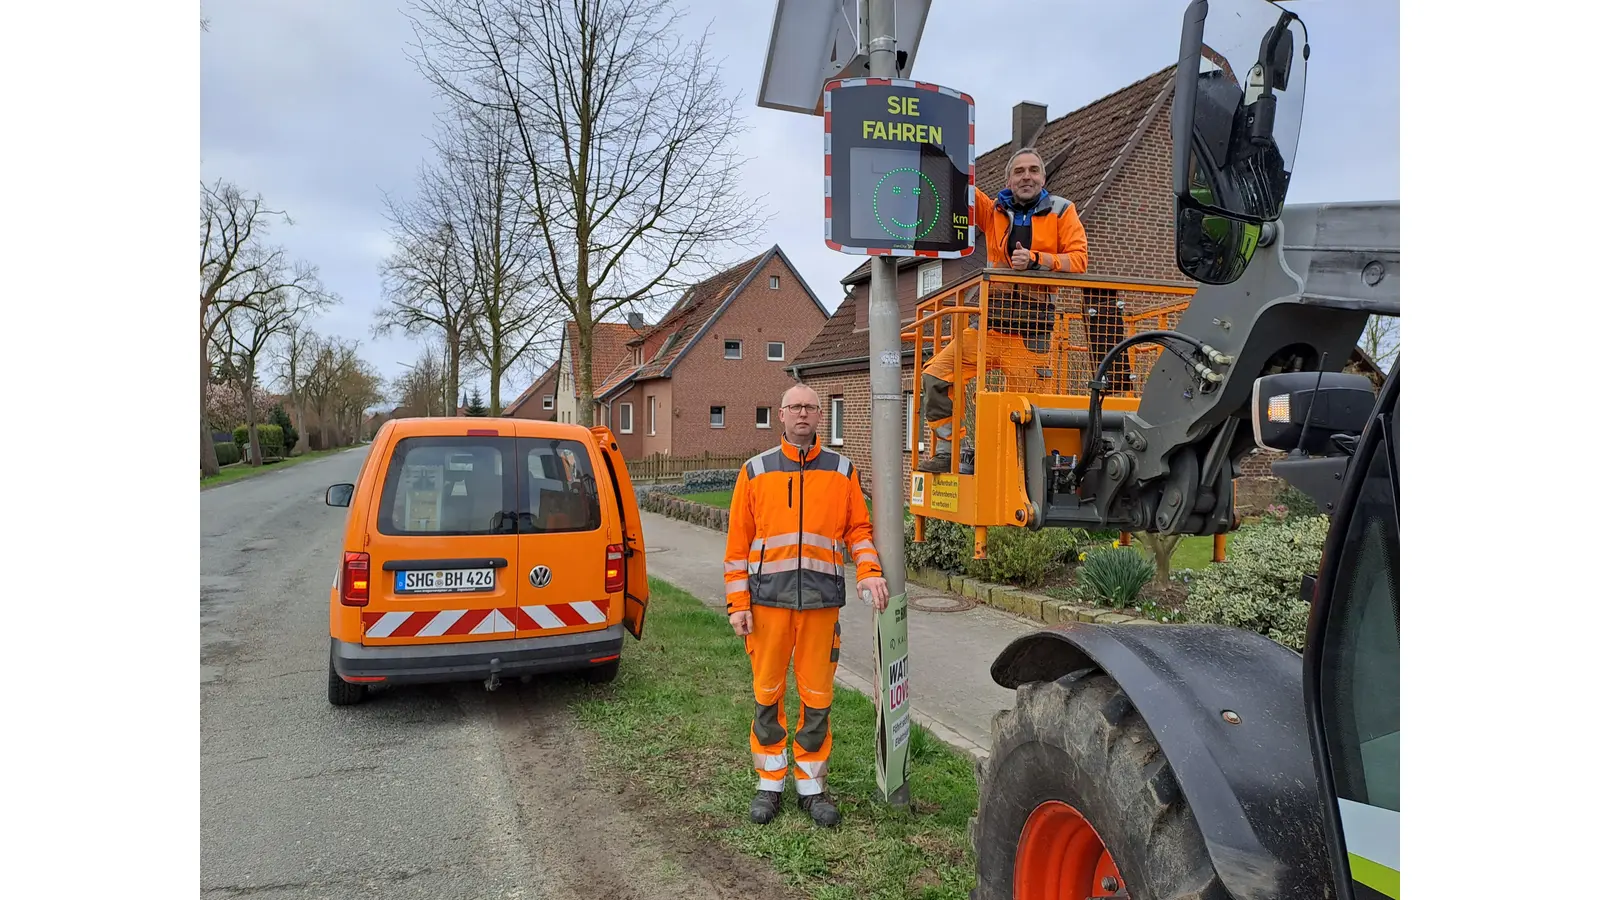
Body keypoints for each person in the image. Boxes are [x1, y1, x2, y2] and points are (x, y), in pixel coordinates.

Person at [723, 383, 890, 828]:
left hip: (820, 604)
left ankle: (812, 788)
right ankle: (770, 783)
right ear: (780, 414)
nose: (802, 414)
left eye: (810, 407)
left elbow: (858, 530)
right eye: (794, 407)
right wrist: (737, 603)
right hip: (767, 604)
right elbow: (737, 546)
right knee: (767, 694)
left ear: (820, 415)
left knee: (817, 697)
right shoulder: (754, 471)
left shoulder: (842, 470)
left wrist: (869, 571)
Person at [917, 147, 1089, 474]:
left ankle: (1026, 471)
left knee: (1032, 409)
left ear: (1043, 177)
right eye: (1019, 171)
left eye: (1033, 170)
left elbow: (1079, 260)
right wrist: (939, 149)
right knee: (935, 375)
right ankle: (949, 451)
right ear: (1008, 179)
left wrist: (1036, 259)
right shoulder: (993, 209)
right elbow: (962, 188)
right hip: (990, 326)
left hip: (1032, 333)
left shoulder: (1063, 211)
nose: (1027, 176)